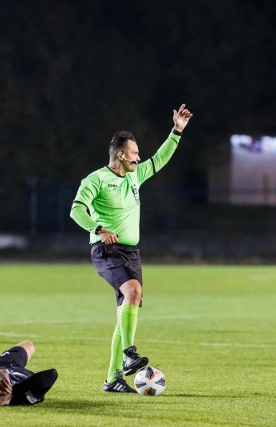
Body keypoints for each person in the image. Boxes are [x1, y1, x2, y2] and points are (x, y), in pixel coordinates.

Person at [70, 104, 193, 393]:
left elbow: (159, 159)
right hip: (106, 251)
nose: (139, 157)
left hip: (131, 253)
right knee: (133, 291)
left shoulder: (135, 175)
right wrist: (98, 229)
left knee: (126, 307)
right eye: (135, 153)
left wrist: (176, 131)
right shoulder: (96, 179)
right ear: (121, 154)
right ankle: (129, 355)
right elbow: (76, 210)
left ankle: (113, 379)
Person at [0, 331, 58, 406]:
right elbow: (52, 374)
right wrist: (11, 399)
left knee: (29, 345)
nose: (0, 382)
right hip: (28, 378)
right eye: (2, 388)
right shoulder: (22, 395)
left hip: (6, 364)